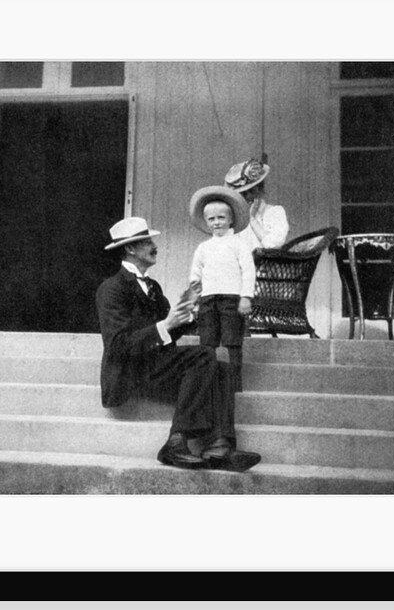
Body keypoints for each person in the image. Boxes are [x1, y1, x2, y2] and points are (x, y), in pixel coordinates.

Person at [95, 216, 262, 472]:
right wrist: (166, 324)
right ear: (130, 249)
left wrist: (189, 315)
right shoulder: (111, 289)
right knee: (203, 355)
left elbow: (168, 333)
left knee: (222, 369)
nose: (154, 246)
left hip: (155, 366)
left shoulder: (153, 287)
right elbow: (118, 346)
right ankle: (176, 441)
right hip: (130, 372)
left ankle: (220, 445)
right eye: (147, 242)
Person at [187, 186, 255, 393]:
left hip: (231, 298)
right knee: (207, 341)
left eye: (221, 218)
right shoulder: (203, 248)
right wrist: (194, 297)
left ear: (231, 219)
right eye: (212, 219)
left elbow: (248, 271)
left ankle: (234, 382)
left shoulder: (238, 244)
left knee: (233, 340)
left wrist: (246, 297)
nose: (217, 222)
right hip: (208, 299)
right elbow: (195, 274)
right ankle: (208, 381)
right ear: (206, 222)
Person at [224, 156, 289, 251]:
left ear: (260, 189)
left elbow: (273, 245)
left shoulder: (274, 212)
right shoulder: (234, 220)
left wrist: (251, 219)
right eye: (242, 194)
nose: (247, 197)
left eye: (250, 191)